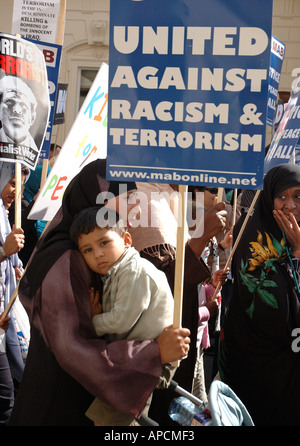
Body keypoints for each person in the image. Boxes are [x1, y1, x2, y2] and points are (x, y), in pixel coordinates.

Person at [9, 159, 190, 426]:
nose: (136, 207)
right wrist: (154, 353)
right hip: (60, 404)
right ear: (98, 200)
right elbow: (73, 350)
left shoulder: (87, 251)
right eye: (128, 197)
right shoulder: (67, 259)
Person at [128, 181, 228, 425]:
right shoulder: (141, 198)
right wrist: (203, 236)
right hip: (151, 350)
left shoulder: (169, 196)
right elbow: (165, 285)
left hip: (183, 341)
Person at [70, 206, 175, 425]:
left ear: (126, 239)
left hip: (146, 360)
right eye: (87, 250)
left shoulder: (134, 270)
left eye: (104, 243)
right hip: (134, 358)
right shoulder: (117, 271)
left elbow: (120, 320)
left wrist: (89, 323)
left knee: (110, 422)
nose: (97, 253)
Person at [219, 163, 300, 426]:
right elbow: (275, 316)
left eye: (298, 195)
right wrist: (297, 253)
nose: (291, 206)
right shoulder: (254, 233)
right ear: (268, 198)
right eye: (282, 197)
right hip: (260, 363)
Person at [0, 162, 27, 424]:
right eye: (11, 183)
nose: (15, 192)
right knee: (6, 398)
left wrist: (15, 269)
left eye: (20, 187)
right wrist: (3, 252)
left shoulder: (4, 216)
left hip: (4, 319)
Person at [0, 76, 38, 151]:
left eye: (23, 105)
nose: (17, 110)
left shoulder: (38, 157)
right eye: (9, 103)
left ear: (32, 118)